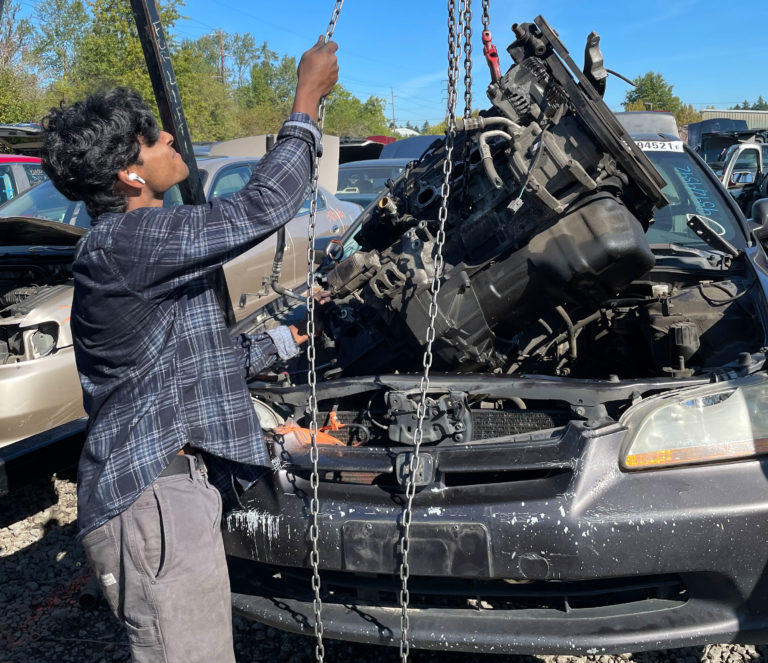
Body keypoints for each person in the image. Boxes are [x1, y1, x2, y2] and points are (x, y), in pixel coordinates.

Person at [40, 37, 338, 663]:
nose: (171, 140)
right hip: (150, 502)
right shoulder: (127, 241)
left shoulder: (135, 251)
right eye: (154, 139)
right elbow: (263, 205)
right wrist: (305, 101)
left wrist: (288, 336)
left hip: (172, 492)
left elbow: (189, 366)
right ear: (130, 173)